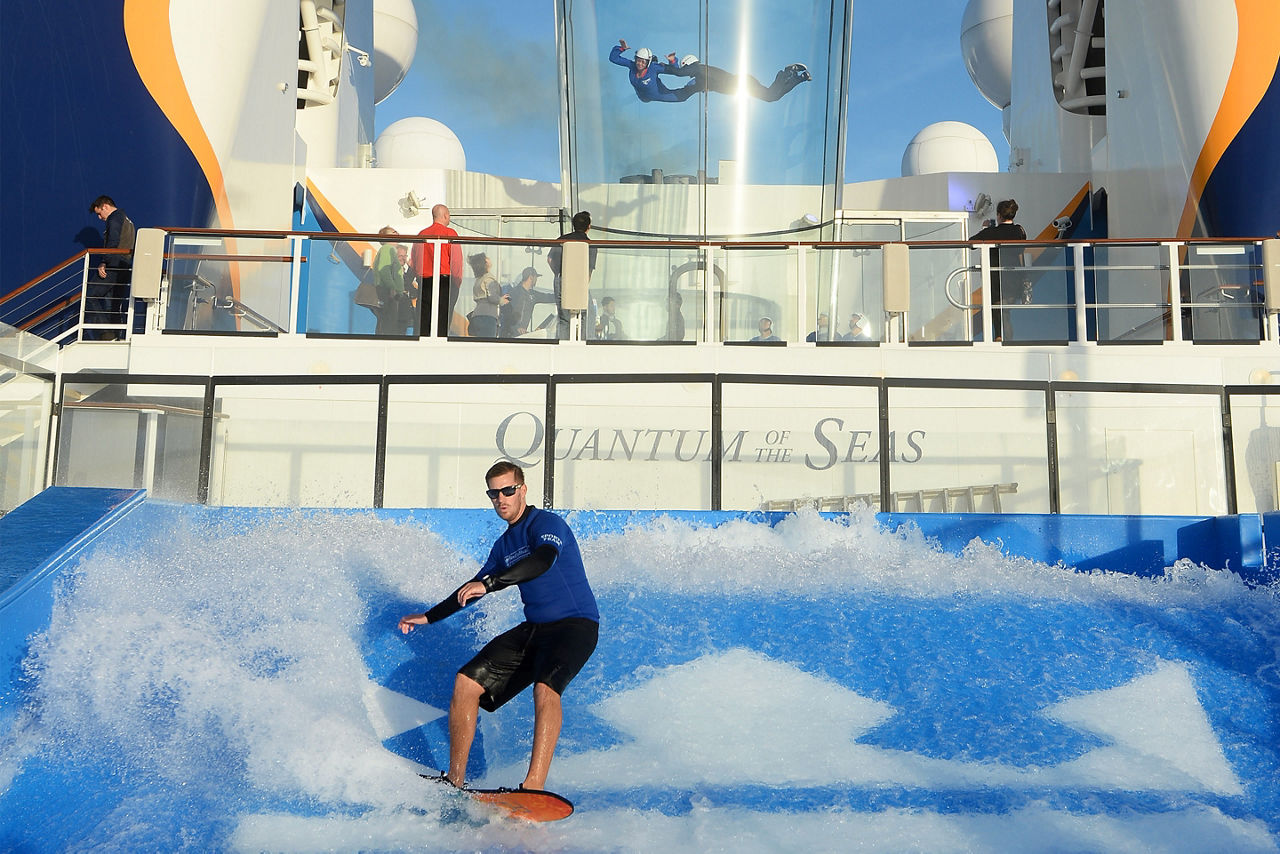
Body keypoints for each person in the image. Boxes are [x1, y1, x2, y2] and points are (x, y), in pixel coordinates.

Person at [398, 461, 599, 791]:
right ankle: (455, 780)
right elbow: (473, 587)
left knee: (545, 688)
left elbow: (542, 560)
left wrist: (492, 583)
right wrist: (429, 617)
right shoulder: (504, 546)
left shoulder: (546, 524)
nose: (501, 499)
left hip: (575, 626)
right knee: (466, 682)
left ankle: (533, 787)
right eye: (494, 493)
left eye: (508, 490)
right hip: (535, 628)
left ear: (522, 489)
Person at [969, 199, 1027, 341]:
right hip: (1014, 279)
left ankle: (999, 337)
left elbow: (971, 244)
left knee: (997, 312)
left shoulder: (991, 232)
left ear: (999, 215)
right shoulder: (1019, 231)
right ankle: (1003, 338)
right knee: (1005, 312)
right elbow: (1021, 248)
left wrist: (985, 229)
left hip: (995, 280)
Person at [664, 53, 810, 102]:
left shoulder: (699, 68)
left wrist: (670, 63)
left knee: (770, 95)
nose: (686, 71)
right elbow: (687, 89)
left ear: (689, 63)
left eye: (686, 67)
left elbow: (679, 73)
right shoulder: (700, 79)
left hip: (742, 83)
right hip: (742, 84)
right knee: (773, 97)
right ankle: (799, 78)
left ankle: (786, 72)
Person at [413, 204, 464, 337]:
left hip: (424, 282)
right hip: (444, 281)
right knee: (442, 319)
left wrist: (419, 277)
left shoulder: (422, 234)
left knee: (424, 320)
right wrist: (457, 282)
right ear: (446, 216)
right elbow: (456, 262)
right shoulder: (450, 234)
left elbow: (415, 260)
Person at [88, 195, 136, 340]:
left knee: (91, 295)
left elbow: (113, 242)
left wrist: (104, 262)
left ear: (105, 206)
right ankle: (117, 336)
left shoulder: (114, 218)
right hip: (125, 265)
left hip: (114, 264)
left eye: (99, 213)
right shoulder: (128, 220)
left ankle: (106, 331)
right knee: (113, 304)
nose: (100, 217)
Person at [546, 211, 598, 340]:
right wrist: (583, 285)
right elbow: (589, 271)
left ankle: (564, 343)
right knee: (585, 316)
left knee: (564, 317)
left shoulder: (562, 240)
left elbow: (550, 259)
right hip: (579, 281)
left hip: (561, 278)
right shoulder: (589, 244)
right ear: (589, 226)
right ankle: (582, 342)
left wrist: (558, 273)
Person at [609, 40, 694, 103]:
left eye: (643, 62)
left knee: (682, 97)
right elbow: (613, 58)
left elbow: (676, 71)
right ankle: (654, 59)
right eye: (638, 60)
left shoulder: (653, 68)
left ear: (648, 62)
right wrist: (621, 48)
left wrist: (672, 61)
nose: (640, 64)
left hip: (659, 94)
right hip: (643, 97)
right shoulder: (632, 65)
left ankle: (695, 83)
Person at [373, 227, 412, 336]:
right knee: (389, 326)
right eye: (394, 232)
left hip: (391, 293)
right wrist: (393, 287)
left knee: (389, 324)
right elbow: (384, 270)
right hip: (389, 293)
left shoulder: (390, 250)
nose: (398, 233)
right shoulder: (387, 249)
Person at [500, 267, 558, 338]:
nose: (536, 280)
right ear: (531, 277)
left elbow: (548, 297)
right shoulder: (513, 292)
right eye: (536, 277)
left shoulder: (532, 294)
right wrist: (517, 327)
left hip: (520, 335)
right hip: (509, 335)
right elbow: (505, 312)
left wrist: (563, 296)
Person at [467, 252, 507, 339]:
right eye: (487, 258)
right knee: (487, 345)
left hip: (476, 316)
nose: (489, 258)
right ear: (485, 263)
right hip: (487, 316)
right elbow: (492, 297)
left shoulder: (479, 280)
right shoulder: (489, 278)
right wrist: (502, 300)